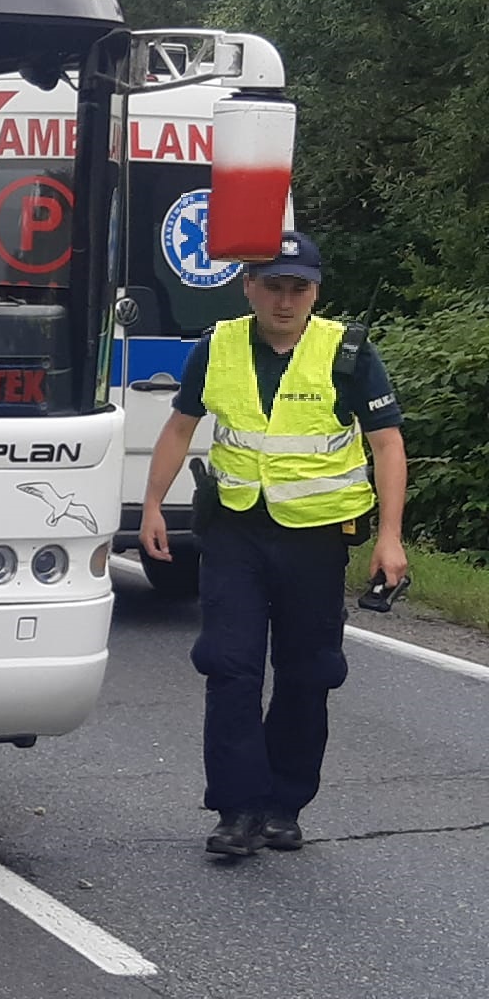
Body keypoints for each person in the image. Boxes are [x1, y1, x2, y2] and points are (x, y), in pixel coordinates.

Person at [140, 229, 408, 858]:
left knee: (307, 671)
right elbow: (182, 427)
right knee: (228, 664)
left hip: (317, 538)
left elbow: (387, 444)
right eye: (273, 286)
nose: (286, 301)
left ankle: (283, 805)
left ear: (315, 291)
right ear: (249, 287)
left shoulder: (348, 351)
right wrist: (154, 504)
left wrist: (390, 540)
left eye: (299, 288)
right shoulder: (220, 344)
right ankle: (236, 810)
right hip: (235, 529)